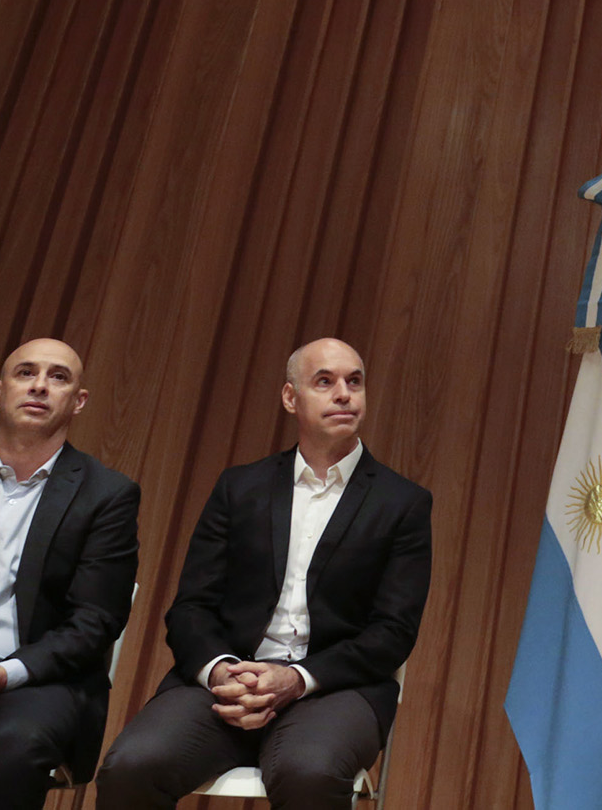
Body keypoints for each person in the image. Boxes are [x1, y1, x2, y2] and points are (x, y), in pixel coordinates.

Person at [98, 337, 432, 810]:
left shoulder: (403, 503)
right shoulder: (240, 487)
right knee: (132, 765)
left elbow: (393, 632)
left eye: (354, 382)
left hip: (334, 688)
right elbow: (192, 607)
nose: (344, 394)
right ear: (291, 398)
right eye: (325, 382)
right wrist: (221, 672)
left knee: (309, 773)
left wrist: (296, 679)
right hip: (228, 681)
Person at [0, 337, 139, 809]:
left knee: (14, 749)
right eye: (25, 373)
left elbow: (95, 622)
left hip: (33, 680)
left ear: (78, 401)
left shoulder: (107, 496)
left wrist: (0, 675)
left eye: (58, 377)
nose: (39, 386)